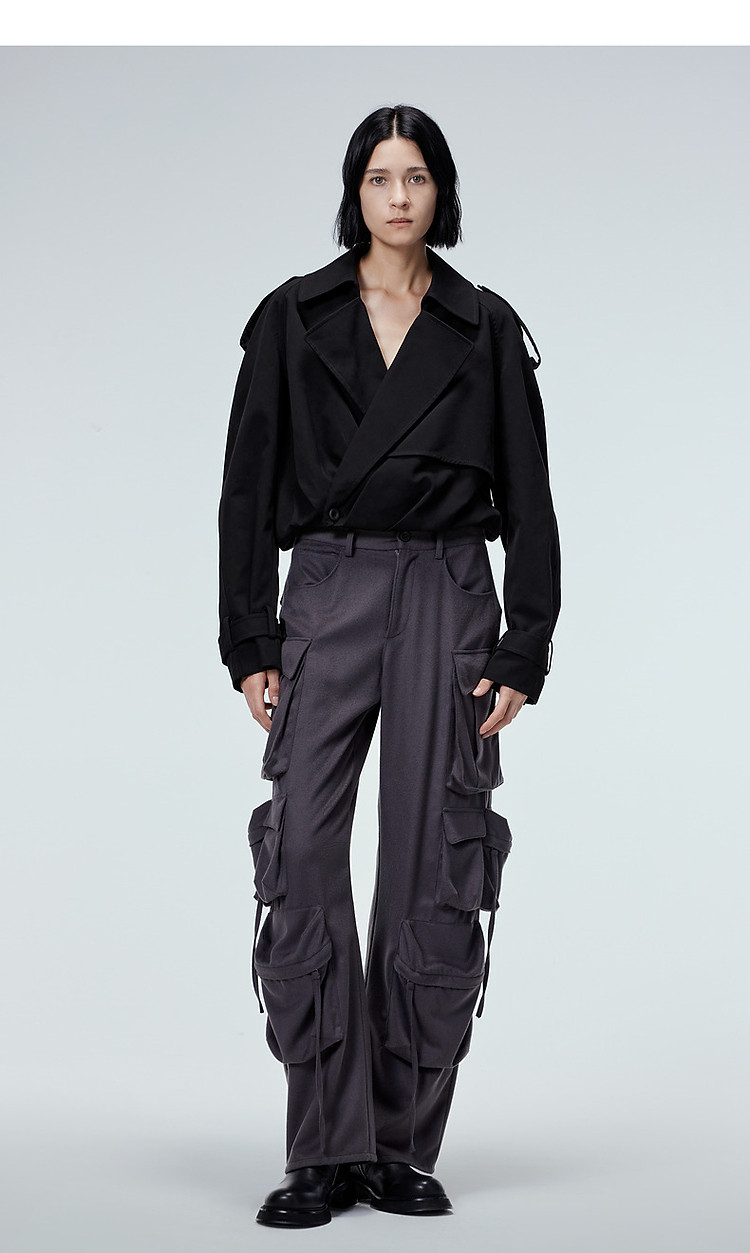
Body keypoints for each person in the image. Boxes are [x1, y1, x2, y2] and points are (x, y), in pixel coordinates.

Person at [217, 103, 561, 1228]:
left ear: (440, 192)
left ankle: (399, 1145)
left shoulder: (484, 325)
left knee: (434, 859)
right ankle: (322, 1145)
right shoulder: (293, 315)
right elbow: (244, 483)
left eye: (417, 176)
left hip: (451, 588)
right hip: (329, 583)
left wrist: (524, 643)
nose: (399, 196)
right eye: (379, 176)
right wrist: (249, 638)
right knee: (302, 851)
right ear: (354, 192)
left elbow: (532, 495)